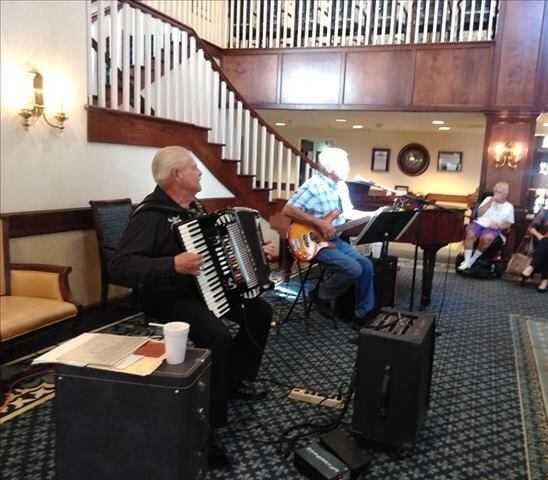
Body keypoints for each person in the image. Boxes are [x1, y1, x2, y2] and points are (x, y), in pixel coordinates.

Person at [110, 146, 275, 469]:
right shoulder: (150, 216)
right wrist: (172, 264)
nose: (200, 172)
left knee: (260, 312)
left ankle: (232, 380)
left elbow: (217, 255)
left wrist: (255, 253)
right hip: (168, 297)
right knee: (217, 337)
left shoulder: (195, 209)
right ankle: (207, 428)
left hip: (205, 291)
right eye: (195, 168)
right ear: (176, 176)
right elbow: (120, 267)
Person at [281, 147, 375, 326]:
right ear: (331, 167)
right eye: (344, 164)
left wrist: (373, 214)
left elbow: (348, 213)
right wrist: (319, 223)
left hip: (332, 240)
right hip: (310, 243)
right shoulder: (313, 185)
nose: (348, 167)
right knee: (354, 268)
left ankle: (361, 315)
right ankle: (321, 294)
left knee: (366, 266)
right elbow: (288, 209)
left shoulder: (342, 187)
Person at [458, 181, 514, 271]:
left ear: (505, 193)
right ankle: (467, 261)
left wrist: (499, 226)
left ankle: (472, 261)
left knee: (486, 238)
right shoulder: (488, 199)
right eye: (495, 191)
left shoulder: (509, 207)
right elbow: (479, 214)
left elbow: (508, 224)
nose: (496, 194)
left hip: (494, 227)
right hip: (480, 223)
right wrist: (490, 201)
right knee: (470, 234)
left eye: (499, 192)